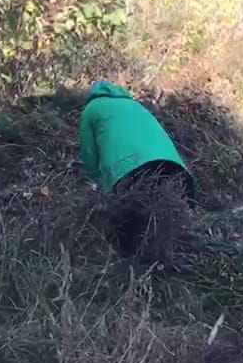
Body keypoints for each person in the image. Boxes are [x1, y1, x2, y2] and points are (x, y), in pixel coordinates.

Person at [78, 80, 197, 256]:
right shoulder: (135, 105)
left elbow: (89, 154)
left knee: (127, 228)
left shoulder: (92, 109)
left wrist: (99, 183)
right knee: (169, 230)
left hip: (131, 170)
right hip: (175, 169)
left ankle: (128, 270)